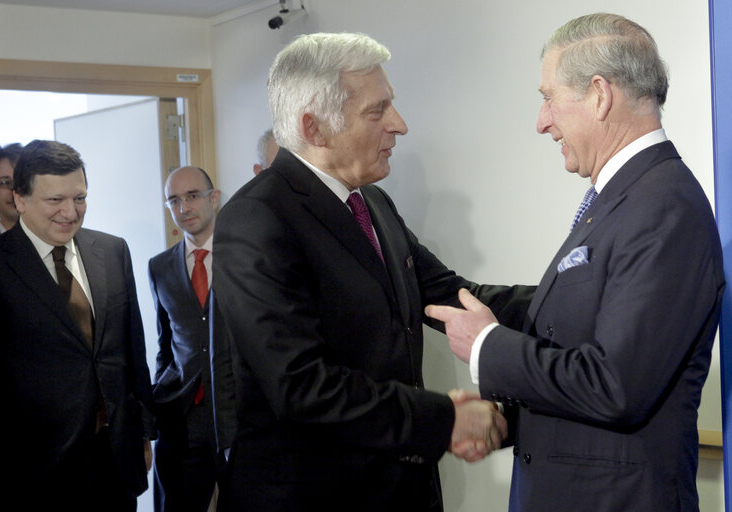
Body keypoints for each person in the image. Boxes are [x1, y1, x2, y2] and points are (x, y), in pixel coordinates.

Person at [213, 32, 534, 512]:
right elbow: (301, 385)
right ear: (314, 127)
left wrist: (581, 294)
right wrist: (444, 419)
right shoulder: (257, 218)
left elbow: (453, 295)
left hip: (400, 490)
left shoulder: (372, 202)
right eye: (376, 111)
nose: (400, 125)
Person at [425, 13, 725, 512]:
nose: (541, 121)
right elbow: (582, 346)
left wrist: (487, 347)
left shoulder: (663, 207)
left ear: (600, 95)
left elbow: (616, 386)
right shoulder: (621, 200)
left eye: (548, 98)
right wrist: (506, 421)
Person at [0, 139, 156, 511]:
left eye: (80, 198)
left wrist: (143, 434)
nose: (71, 212)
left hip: (113, 464)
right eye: (55, 201)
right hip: (27, 476)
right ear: (20, 199)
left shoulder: (113, 251)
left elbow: (133, 352)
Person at [149, 166, 235, 512]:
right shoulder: (159, 267)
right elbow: (164, 343)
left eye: (193, 195)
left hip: (235, 412)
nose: (184, 207)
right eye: (174, 199)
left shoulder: (244, 258)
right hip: (182, 416)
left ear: (214, 198)